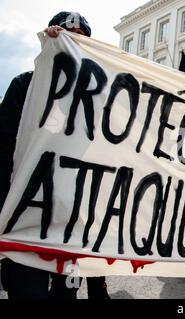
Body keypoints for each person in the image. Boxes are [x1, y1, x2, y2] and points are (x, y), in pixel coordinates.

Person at [0, 11, 109, 299]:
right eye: (64, 37)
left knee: (66, 295)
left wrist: (98, 280)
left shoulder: (95, 94)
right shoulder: (24, 85)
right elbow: (3, 149)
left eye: (79, 40)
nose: (71, 44)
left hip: (69, 223)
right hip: (26, 221)